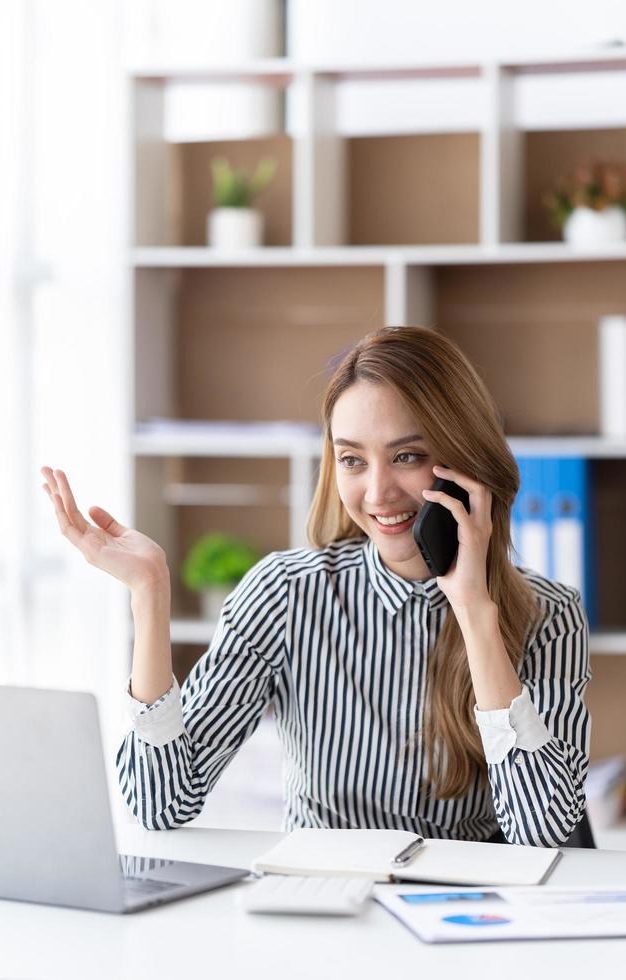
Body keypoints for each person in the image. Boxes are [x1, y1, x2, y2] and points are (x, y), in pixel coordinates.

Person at [41, 325, 590, 846]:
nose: (377, 493)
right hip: (318, 909)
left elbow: (539, 834)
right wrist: (149, 594)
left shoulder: (550, 614)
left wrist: (473, 612)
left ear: (465, 462)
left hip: (459, 919)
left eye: (408, 456)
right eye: (352, 459)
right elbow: (158, 803)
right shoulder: (285, 593)